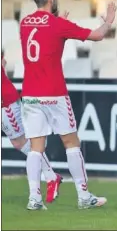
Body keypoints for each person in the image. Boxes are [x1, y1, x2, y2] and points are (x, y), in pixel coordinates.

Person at [20, 0, 116, 210]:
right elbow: (96, 35)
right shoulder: (57, 25)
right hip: (54, 93)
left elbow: (44, 36)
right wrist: (109, 21)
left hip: (30, 94)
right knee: (71, 142)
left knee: (35, 147)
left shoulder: (24, 23)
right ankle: (83, 196)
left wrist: (59, 21)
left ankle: (34, 198)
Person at [1, 56, 62, 203]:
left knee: (22, 141)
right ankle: (51, 177)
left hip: (5, 102)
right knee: (20, 142)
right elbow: (3, 62)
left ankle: (51, 177)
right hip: (6, 99)